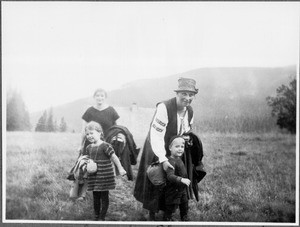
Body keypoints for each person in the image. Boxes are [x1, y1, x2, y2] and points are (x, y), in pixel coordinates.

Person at [134, 77, 205, 221]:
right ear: (177, 94)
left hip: (175, 147)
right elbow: (156, 135)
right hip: (157, 146)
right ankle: (151, 212)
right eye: (184, 94)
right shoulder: (164, 107)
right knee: (156, 177)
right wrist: (163, 158)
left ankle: (170, 209)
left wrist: (185, 137)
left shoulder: (189, 111)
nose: (187, 98)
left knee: (175, 179)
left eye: (191, 95)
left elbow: (187, 129)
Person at [84, 121, 126, 221]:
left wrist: (120, 168)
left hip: (105, 175)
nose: (89, 136)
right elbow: (88, 159)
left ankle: (102, 217)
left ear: (100, 133)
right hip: (94, 176)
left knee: (104, 196)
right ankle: (96, 215)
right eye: (87, 134)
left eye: (92, 133)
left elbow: (114, 157)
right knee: (95, 196)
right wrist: (86, 164)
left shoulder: (105, 146)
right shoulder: (89, 147)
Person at [164, 136, 190, 221]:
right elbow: (170, 176)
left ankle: (184, 219)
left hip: (182, 190)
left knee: (184, 205)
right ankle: (166, 221)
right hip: (173, 191)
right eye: (177, 146)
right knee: (170, 208)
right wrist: (181, 179)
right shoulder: (170, 161)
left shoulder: (179, 159)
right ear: (170, 148)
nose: (180, 149)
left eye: (182, 147)